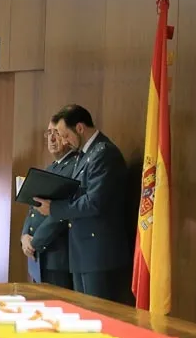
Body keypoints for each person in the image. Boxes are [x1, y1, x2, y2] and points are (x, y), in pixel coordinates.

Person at [33, 104, 131, 300]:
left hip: (99, 253)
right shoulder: (85, 155)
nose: (64, 141)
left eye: (65, 135)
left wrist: (54, 208)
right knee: (84, 312)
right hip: (82, 252)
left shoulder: (103, 153)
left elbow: (94, 202)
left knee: (99, 312)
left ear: (79, 128)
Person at [22, 121, 77, 289]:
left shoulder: (74, 167)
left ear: (67, 135)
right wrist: (24, 236)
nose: (51, 139)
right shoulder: (51, 168)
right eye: (48, 133)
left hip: (56, 256)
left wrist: (35, 242)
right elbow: (33, 206)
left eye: (56, 133)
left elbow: (61, 214)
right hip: (38, 255)